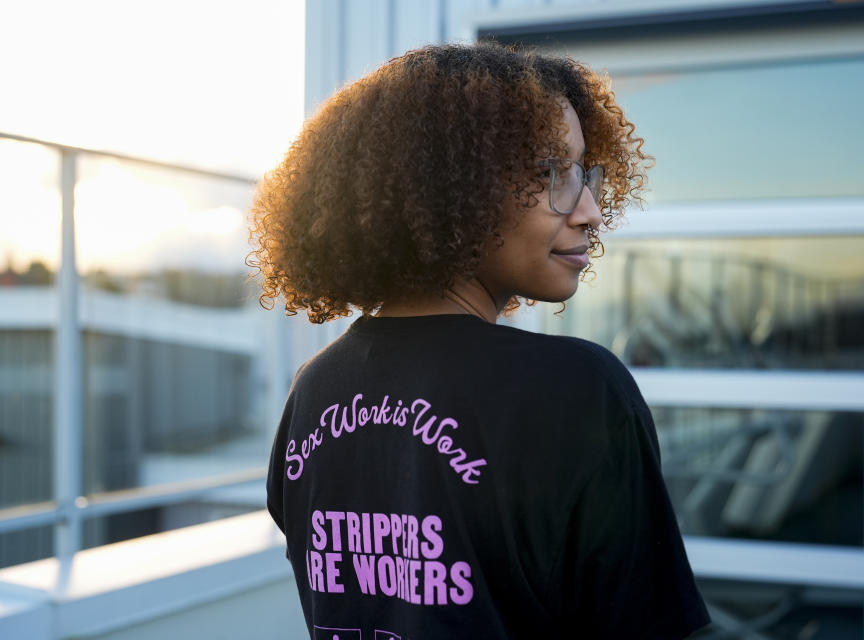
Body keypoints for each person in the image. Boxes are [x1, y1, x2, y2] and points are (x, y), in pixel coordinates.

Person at [248, 41, 713, 639]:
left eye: (583, 173)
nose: (591, 210)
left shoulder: (315, 387)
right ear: (452, 189)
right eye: (551, 173)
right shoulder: (575, 389)